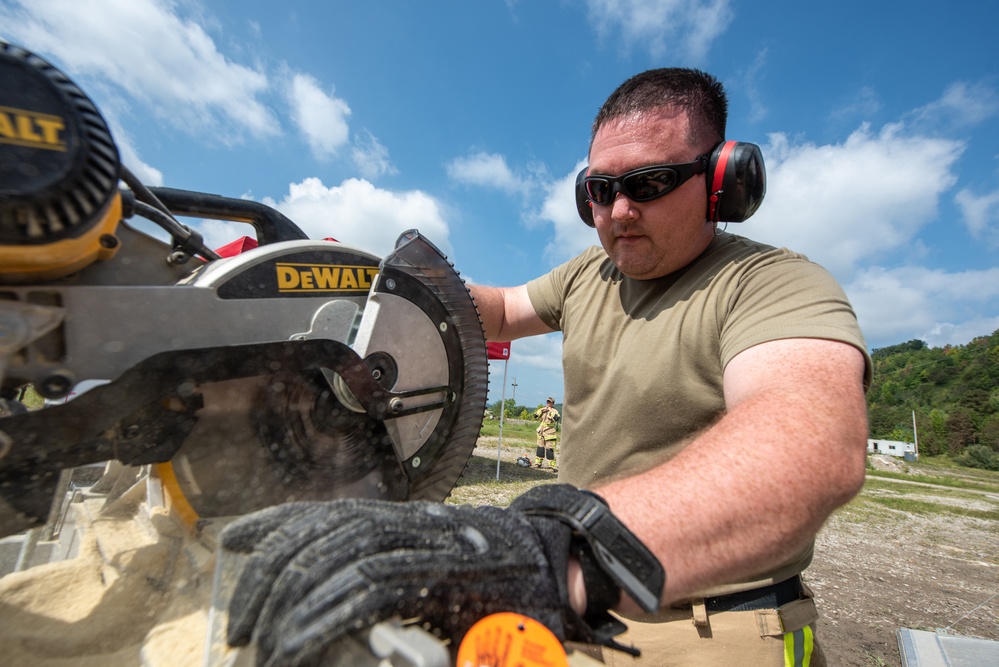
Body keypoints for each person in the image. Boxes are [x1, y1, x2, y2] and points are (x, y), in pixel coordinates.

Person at [221, 68, 870, 667]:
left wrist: (566, 545)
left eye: (647, 185)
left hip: (708, 615)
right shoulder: (592, 272)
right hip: (574, 586)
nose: (618, 212)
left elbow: (809, 444)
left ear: (723, 181)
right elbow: (497, 311)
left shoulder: (774, 283)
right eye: (599, 190)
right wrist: (368, 287)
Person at [533, 396, 561, 470]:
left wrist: (552, 415)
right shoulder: (542, 409)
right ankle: (538, 463)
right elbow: (535, 416)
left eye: (549, 402)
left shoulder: (554, 411)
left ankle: (552, 466)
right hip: (541, 431)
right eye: (547, 401)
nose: (548, 403)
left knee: (549, 449)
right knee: (540, 448)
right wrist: (541, 411)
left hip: (549, 431)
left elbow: (557, 417)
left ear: (552, 403)